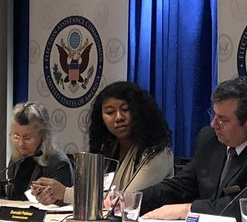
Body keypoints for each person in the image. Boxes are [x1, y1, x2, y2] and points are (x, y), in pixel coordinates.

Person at [140, 76, 247, 219]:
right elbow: (181, 186)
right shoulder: (209, 139)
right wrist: (133, 200)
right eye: (213, 114)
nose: (213, 124)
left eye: (223, 119)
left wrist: (187, 209)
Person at [30, 81, 174, 206]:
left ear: (140, 112)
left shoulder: (157, 151)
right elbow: (88, 192)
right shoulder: (108, 149)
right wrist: (53, 196)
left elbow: (126, 200)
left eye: (125, 109)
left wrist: (65, 193)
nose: (119, 118)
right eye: (110, 112)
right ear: (102, 119)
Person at [3, 101, 73, 201]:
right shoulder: (17, 159)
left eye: (27, 138)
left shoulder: (58, 163)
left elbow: (61, 204)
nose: (20, 144)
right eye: (16, 136)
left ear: (43, 135)